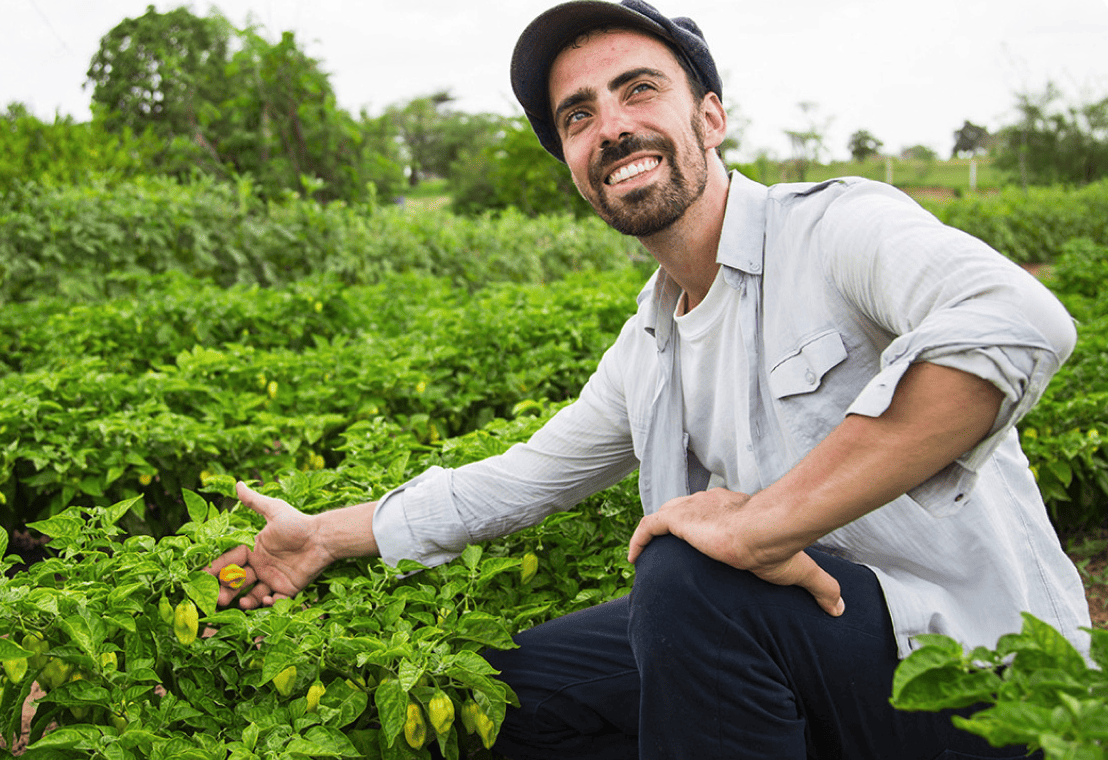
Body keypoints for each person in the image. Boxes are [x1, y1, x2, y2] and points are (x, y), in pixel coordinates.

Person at [209, 1, 1092, 757]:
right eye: (578, 115)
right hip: (817, 653)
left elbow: (1017, 321)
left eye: (639, 89)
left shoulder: (836, 229)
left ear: (710, 116)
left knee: (688, 579)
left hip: (981, 679)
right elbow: (520, 477)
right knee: (519, 689)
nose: (613, 125)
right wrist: (322, 535)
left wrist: (763, 526)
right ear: (573, 167)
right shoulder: (652, 340)